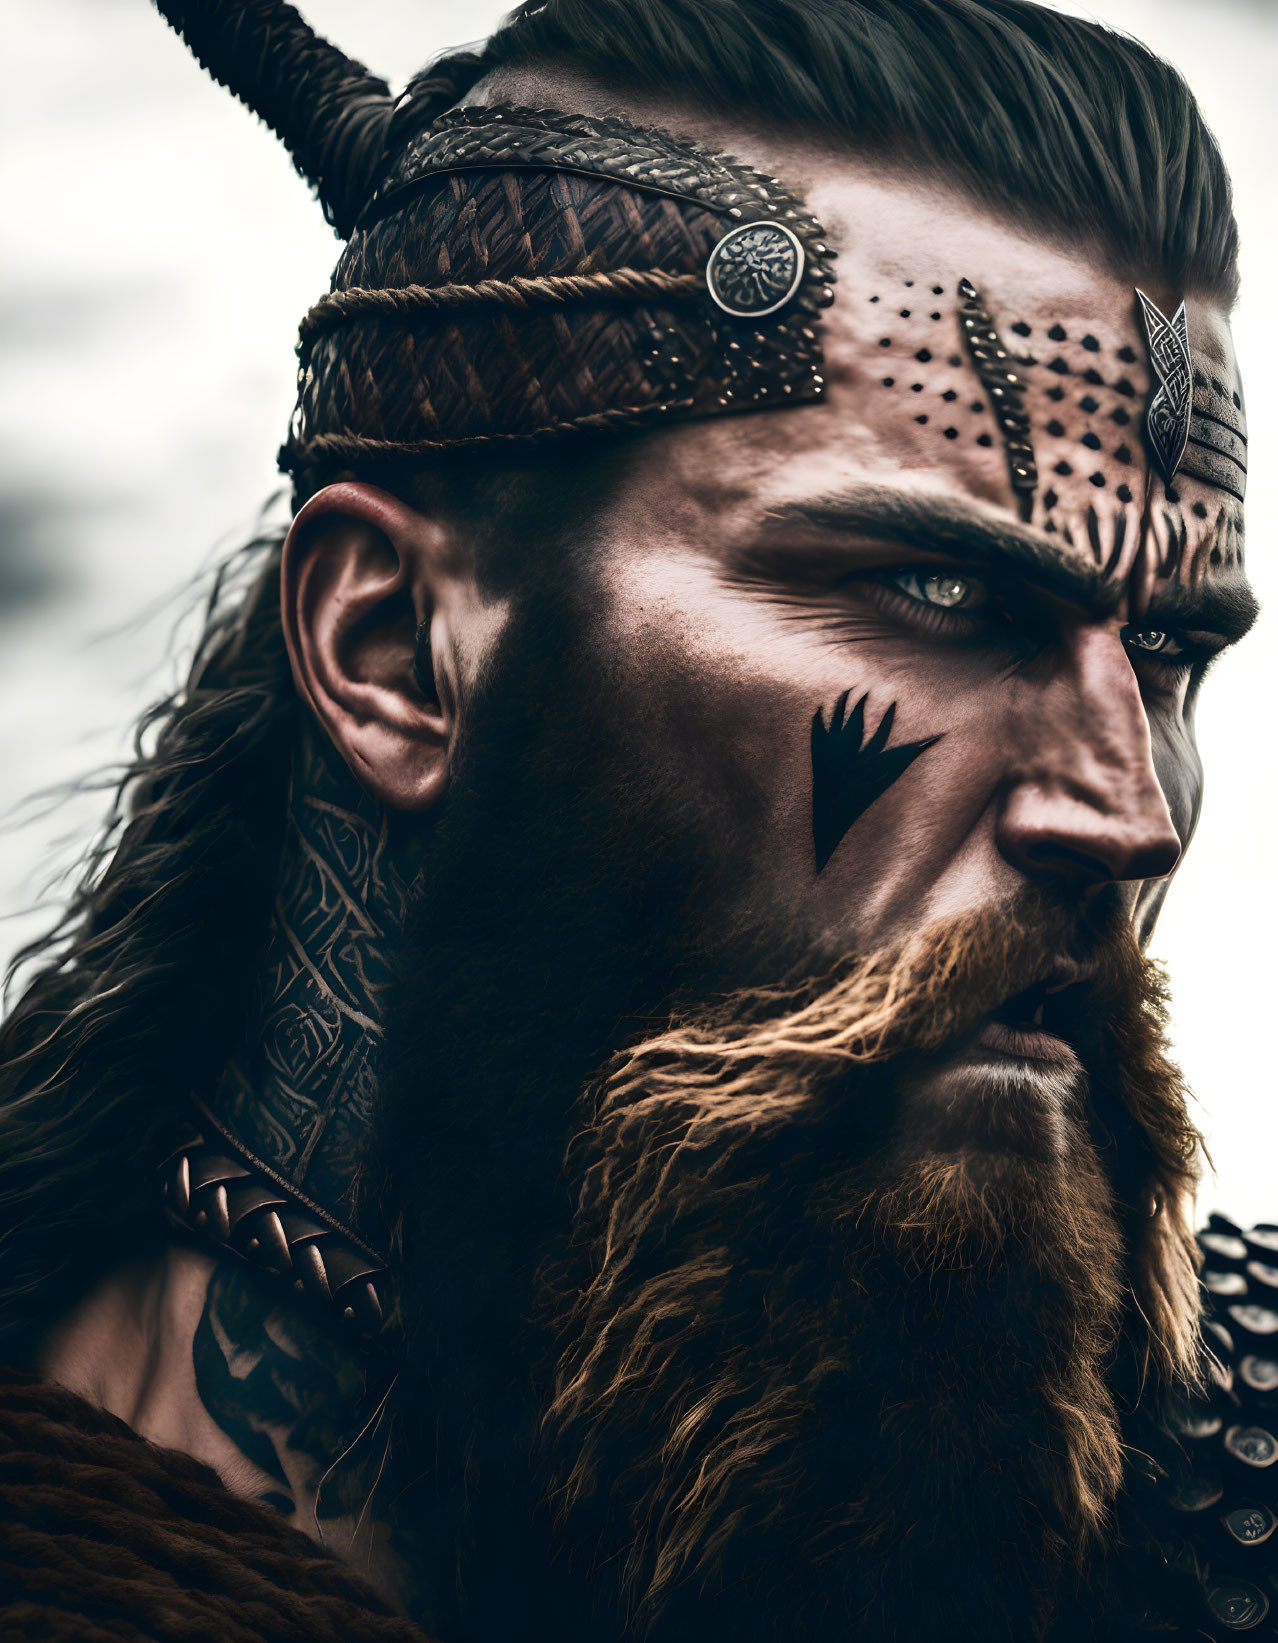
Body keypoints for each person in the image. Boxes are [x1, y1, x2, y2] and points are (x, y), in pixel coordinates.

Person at [0, 0, 1267, 1638]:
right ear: (392, 655)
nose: (1124, 808)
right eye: (939, 591)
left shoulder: (1203, 1482)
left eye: (1167, 653)